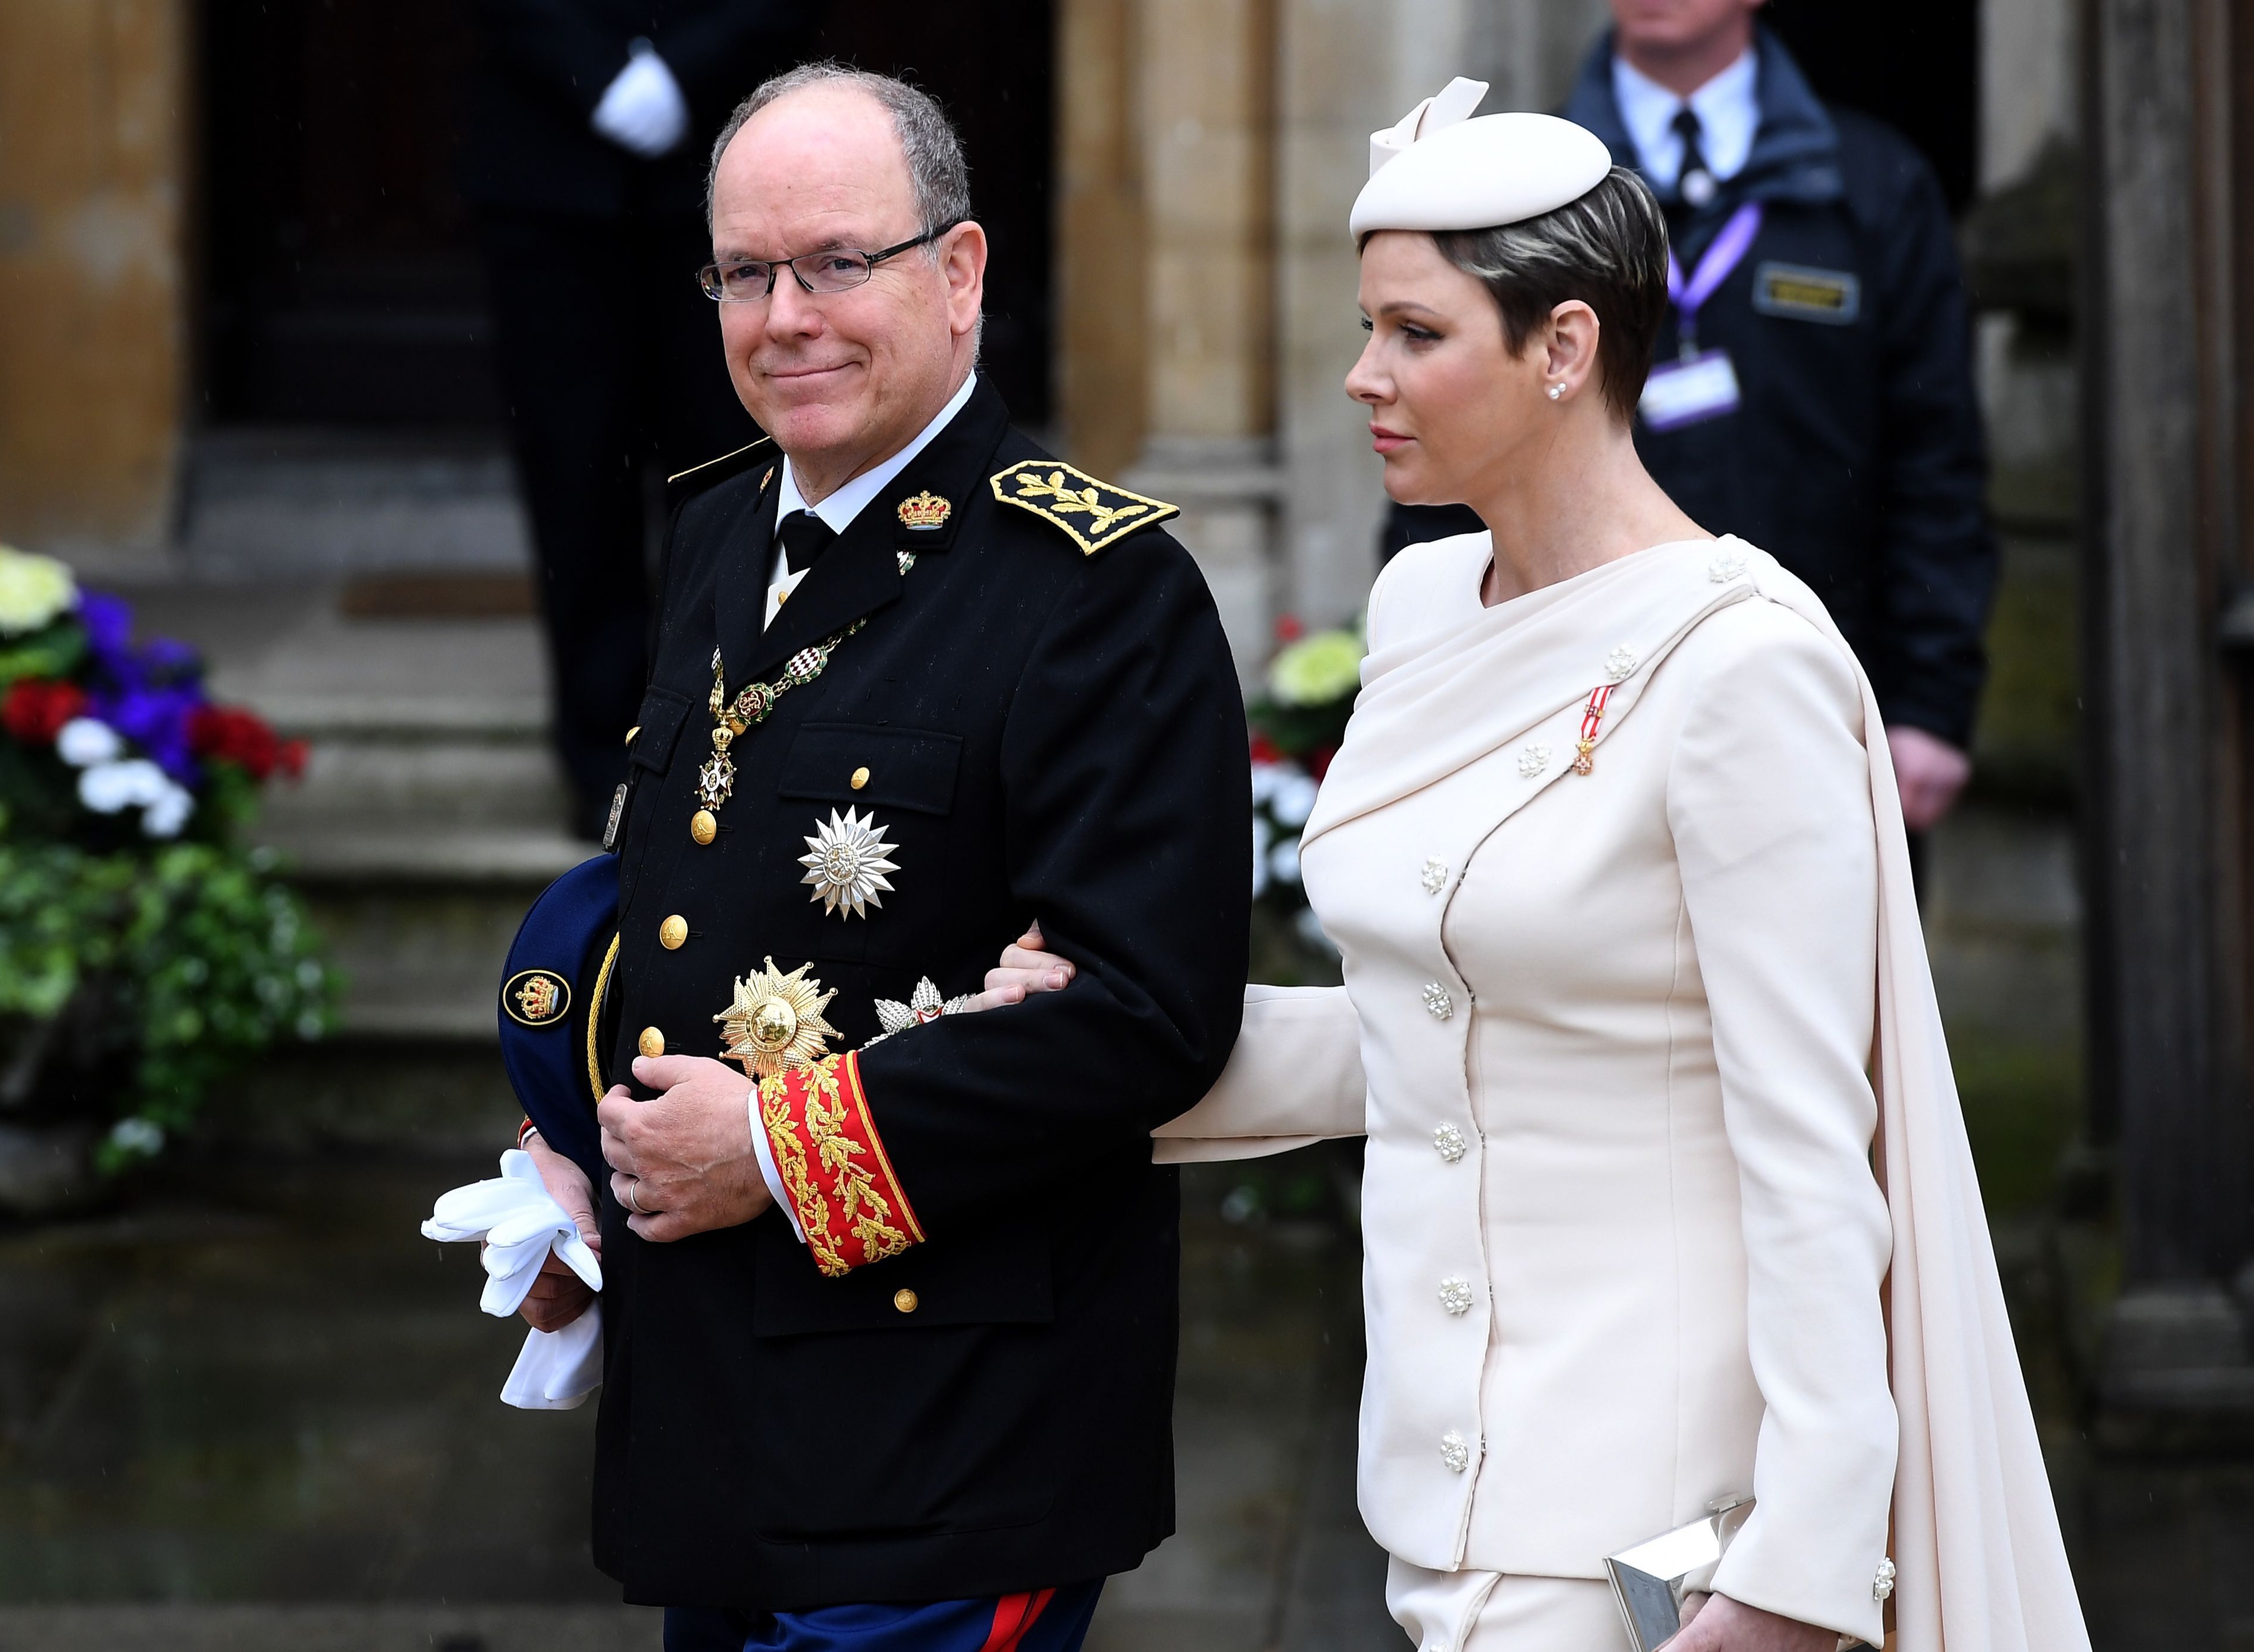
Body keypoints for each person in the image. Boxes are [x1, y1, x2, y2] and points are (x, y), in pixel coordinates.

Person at [993, 85, 2085, 1652]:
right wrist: (1106, 1044)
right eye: (1366, 327)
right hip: (1441, 1500)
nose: (1364, 376)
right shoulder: (1426, 605)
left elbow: (1814, 1157)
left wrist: (1803, 1571)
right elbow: (1432, 1027)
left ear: (1562, 348)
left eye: (1414, 334)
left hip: (1660, 1537)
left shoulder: (1741, 670)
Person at [501, 64, 1251, 1652]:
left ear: (959, 274)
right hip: (718, 1418)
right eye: (747, 273)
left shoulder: (1094, 588)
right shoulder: (717, 528)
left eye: (840, 262)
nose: (788, 317)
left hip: (952, 1434)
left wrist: (770, 1150)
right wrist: (581, 1159)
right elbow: (693, 906)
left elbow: (1146, 1013)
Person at [1387, 1, 1996, 833]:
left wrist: (1929, 701)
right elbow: (1448, 420)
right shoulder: (1520, 189)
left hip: (1815, 699)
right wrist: (1433, 673)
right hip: (1559, 704)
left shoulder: (1871, 186)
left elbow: (1937, 457)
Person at [464, 1, 824, 838]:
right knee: (574, 475)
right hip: (548, 167)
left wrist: (684, 68)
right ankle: (604, 762)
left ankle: (730, 741)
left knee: (738, 473)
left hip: (727, 168)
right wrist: (592, 69)